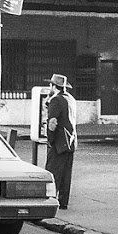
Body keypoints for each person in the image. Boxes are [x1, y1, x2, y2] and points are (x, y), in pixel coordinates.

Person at [44, 73, 77, 210]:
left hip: (58, 142)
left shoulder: (56, 100)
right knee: (66, 174)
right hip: (70, 141)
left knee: (53, 172)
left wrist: (50, 140)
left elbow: (52, 122)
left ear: (54, 86)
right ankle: (63, 202)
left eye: (50, 84)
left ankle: (50, 201)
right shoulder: (71, 99)